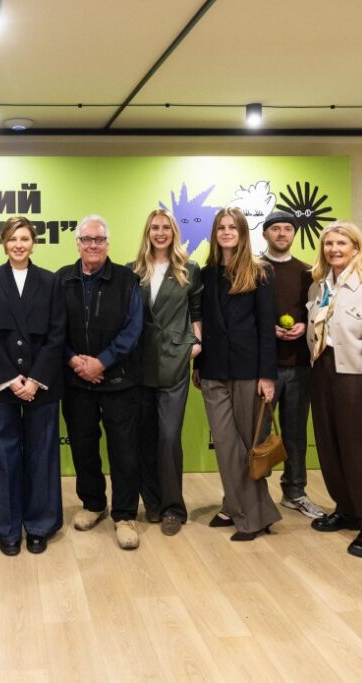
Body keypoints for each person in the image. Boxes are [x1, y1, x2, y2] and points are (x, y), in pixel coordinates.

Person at [0, 217, 66, 556]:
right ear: (4, 242)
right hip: (0, 383)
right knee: (4, 457)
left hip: (41, 384)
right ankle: (9, 529)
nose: (19, 244)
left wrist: (36, 380)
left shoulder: (50, 281)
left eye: (25, 238)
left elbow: (58, 332)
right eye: (13, 238)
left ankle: (40, 525)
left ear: (34, 243)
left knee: (42, 455)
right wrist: (12, 380)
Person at [58, 215, 144, 550]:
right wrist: (73, 360)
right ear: (77, 243)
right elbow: (54, 329)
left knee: (124, 451)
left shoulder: (127, 280)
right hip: (76, 381)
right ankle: (93, 503)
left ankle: (124, 514)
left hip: (119, 381)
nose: (92, 245)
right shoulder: (62, 279)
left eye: (99, 239)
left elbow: (133, 330)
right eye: (86, 239)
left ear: (108, 244)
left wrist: (102, 362)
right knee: (83, 447)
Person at [195, 207, 281, 542]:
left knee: (248, 448)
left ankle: (250, 516)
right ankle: (243, 507)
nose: (227, 231)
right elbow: (202, 326)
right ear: (215, 233)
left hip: (249, 372)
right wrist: (198, 367)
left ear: (243, 232)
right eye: (221, 227)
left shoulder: (261, 272)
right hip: (214, 371)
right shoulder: (207, 274)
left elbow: (265, 328)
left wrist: (267, 376)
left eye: (233, 227)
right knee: (228, 446)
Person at [305, 221, 362, 558]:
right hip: (322, 368)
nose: (334, 249)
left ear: (356, 247)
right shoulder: (318, 287)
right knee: (330, 444)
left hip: (358, 375)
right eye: (329, 244)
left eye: (341, 243)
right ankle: (347, 509)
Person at [133, 209, 202, 536]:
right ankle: (154, 502)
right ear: (148, 233)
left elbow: (197, 312)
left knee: (169, 437)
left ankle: (174, 507)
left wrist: (195, 344)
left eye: (166, 228)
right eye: (154, 228)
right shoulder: (134, 271)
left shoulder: (189, 269)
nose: (160, 233)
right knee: (145, 437)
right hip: (140, 363)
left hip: (175, 360)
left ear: (174, 232)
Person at [259, 210, 325, 519]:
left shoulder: (309, 272)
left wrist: (303, 326)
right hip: (261, 369)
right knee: (257, 436)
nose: (282, 233)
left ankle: (294, 492)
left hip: (299, 365)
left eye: (288, 229)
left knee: (296, 434)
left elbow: (319, 314)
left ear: (294, 234)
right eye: (276, 229)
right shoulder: (253, 269)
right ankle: (255, 495)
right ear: (265, 234)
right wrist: (266, 329)